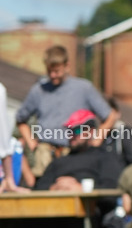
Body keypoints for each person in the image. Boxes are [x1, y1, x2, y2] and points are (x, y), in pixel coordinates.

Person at [16, 45, 113, 178]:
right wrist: (31, 142)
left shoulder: (84, 88)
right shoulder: (38, 91)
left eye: (57, 71)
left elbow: (109, 116)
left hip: (74, 152)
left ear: (67, 66)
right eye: (49, 71)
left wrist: (96, 140)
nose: (52, 75)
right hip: (45, 154)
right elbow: (20, 120)